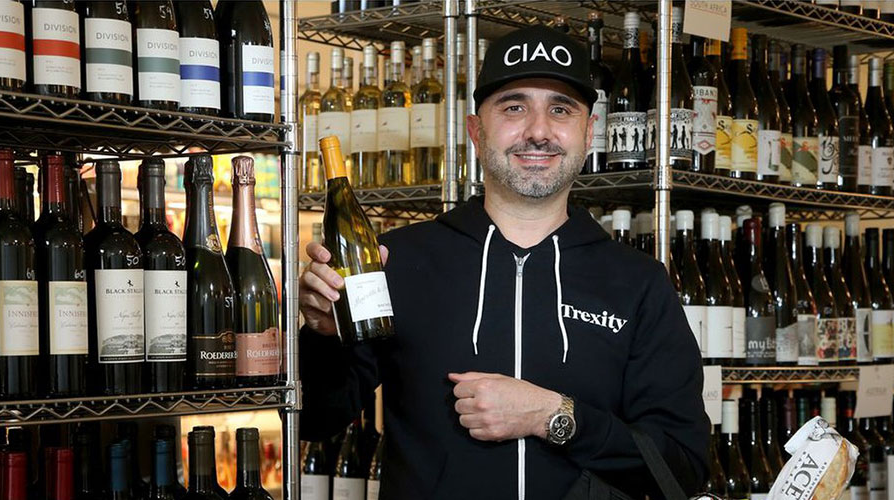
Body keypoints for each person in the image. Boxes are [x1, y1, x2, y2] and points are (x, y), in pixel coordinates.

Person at [298, 25, 709, 499]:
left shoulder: (636, 282)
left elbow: (680, 467)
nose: (538, 131)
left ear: (589, 132)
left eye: (561, 109)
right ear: (476, 131)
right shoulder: (398, 259)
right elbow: (314, 421)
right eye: (514, 107)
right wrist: (325, 338)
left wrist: (552, 416)